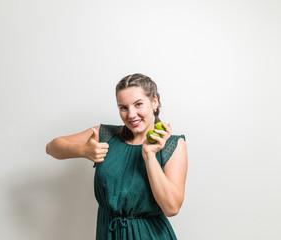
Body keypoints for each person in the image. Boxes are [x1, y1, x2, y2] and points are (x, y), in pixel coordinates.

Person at [46, 73, 188, 240]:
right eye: (123, 107)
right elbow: (52, 148)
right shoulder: (104, 135)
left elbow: (171, 208)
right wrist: (83, 150)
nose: (131, 114)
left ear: (154, 102)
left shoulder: (173, 145)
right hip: (108, 234)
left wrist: (149, 156)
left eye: (138, 104)